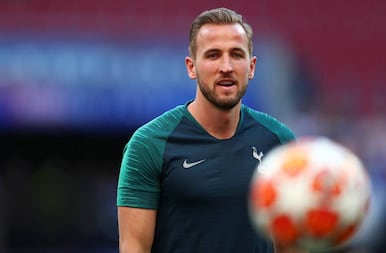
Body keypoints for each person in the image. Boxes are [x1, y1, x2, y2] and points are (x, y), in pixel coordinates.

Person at [117, 7, 301, 253]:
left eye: (236, 55)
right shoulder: (150, 144)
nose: (226, 66)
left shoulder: (280, 143)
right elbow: (134, 247)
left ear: (252, 66)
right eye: (213, 55)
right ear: (191, 67)